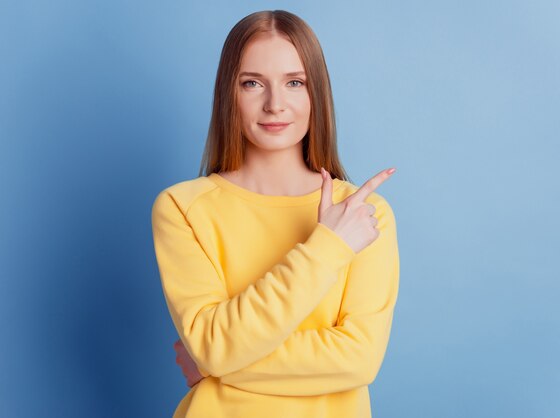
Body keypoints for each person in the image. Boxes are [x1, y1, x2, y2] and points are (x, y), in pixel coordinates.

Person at [151, 9, 400, 418]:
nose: (275, 104)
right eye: (252, 83)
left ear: (315, 93)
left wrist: (220, 363)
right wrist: (328, 247)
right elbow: (214, 345)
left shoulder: (362, 213)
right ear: (228, 93)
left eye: (294, 83)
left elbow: (358, 359)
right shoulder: (182, 208)